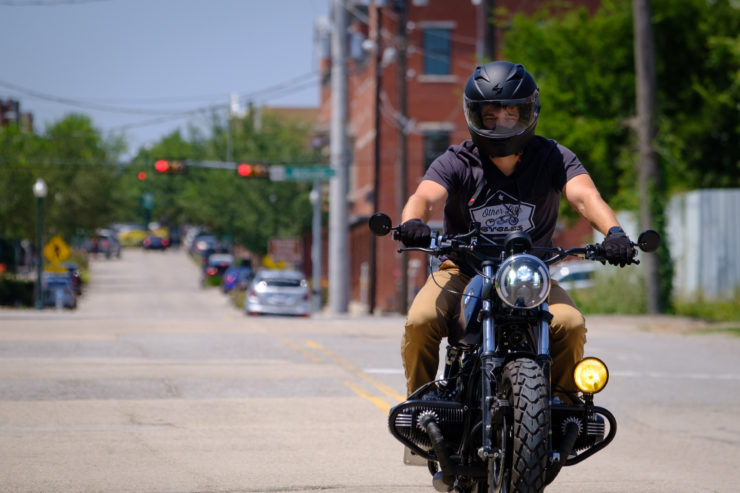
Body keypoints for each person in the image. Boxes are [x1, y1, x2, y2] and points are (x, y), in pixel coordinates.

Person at [397, 61, 635, 399]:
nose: (501, 123)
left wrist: (614, 233)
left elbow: (584, 197)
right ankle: (421, 407)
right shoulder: (457, 161)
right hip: (464, 271)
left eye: (511, 114)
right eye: (490, 116)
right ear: (474, 116)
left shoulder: (553, 157)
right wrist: (413, 223)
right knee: (420, 322)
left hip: (529, 276)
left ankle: (563, 411)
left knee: (570, 324)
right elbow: (424, 196)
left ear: (528, 113)